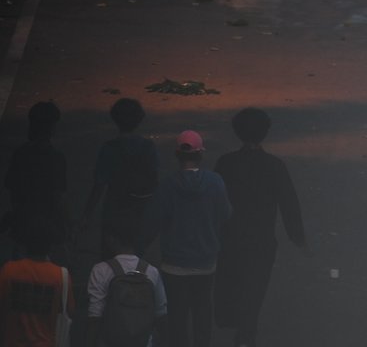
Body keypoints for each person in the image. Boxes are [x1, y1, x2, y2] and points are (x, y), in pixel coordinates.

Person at [213, 108, 306, 347]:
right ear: (265, 132)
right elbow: (289, 203)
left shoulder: (226, 163)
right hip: (261, 238)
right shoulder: (274, 165)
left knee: (234, 279)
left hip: (230, 237)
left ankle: (233, 319)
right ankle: (247, 334)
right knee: (255, 287)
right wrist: (298, 237)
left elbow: (213, 201)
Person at [148, 130, 231, 347]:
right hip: (205, 261)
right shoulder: (215, 182)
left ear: (177, 155)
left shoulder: (167, 185)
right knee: (202, 312)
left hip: (174, 263)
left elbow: (155, 220)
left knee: (177, 316)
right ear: (200, 155)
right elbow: (225, 214)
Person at [80, 98, 159, 256]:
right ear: (139, 119)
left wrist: (86, 215)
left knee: (111, 257)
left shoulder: (109, 148)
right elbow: (154, 181)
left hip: (114, 208)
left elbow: (99, 185)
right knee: (136, 255)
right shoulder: (148, 147)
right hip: (140, 209)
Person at [84, 224, 168, 347]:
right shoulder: (152, 272)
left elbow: (95, 316)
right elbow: (161, 314)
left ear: (112, 240)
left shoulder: (101, 270)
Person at [3, 101, 68, 255]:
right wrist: (65, 224)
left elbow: (12, 190)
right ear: (52, 128)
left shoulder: (20, 154)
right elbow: (57, 196)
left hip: (23, 220)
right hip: (46, 222)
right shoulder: (56, 157)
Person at [0, 220, 73, 347]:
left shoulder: (9, 270)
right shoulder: (61, 276)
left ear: (25, 244)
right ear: (50, 246)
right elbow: (69, 310)